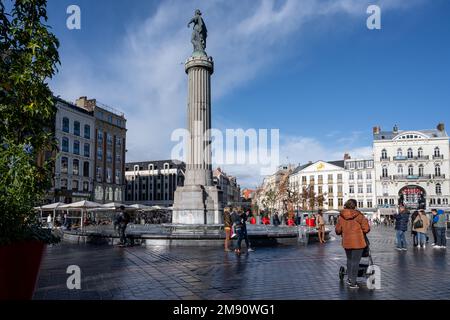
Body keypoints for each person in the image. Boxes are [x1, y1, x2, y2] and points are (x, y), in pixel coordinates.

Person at [335, 199, 370, 289]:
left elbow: (338, 231)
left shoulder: (341, 216)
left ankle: (350, 279)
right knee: (355, 262)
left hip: (347, 241)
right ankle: (353, 283)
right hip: (358, 242)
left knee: (349, 260)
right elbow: (366, 229)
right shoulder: (359, 216)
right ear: (355, 206)